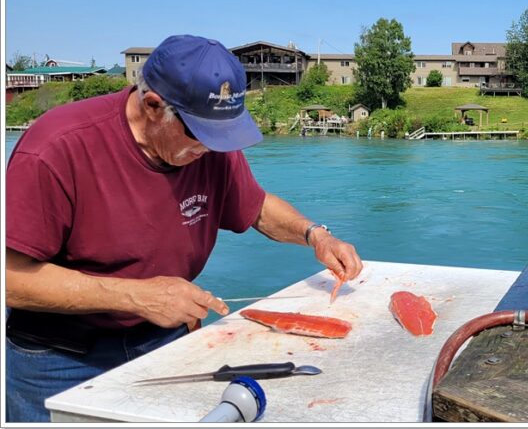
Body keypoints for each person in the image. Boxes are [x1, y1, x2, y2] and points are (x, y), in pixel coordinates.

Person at [5, 35, 364, 422]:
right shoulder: (56, 148)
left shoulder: (209, 147)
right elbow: (11, 279)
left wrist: (316, 234)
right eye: (201, 136)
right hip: (60, 358)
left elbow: (255, 206)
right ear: (153, 106)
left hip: (162, 339)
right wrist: (137, 297)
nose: (211, 150)